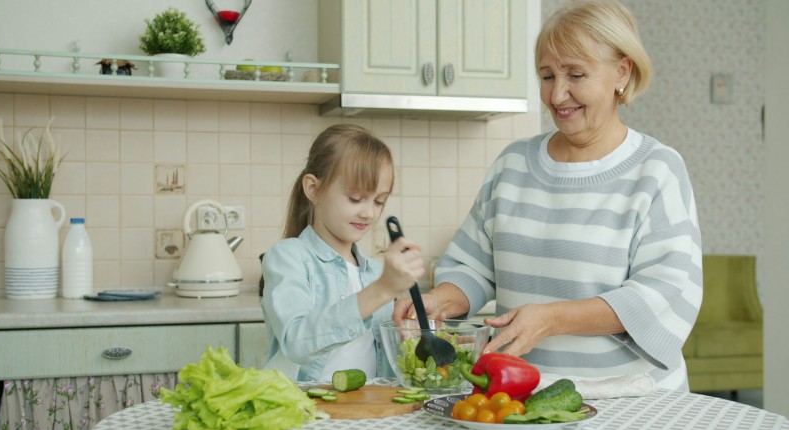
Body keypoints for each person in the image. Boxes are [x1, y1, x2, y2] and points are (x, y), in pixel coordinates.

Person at [394, 0, 702, 391]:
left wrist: (552, 318)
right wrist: (440, 300)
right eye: (546, 76)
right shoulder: (513, 164)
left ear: (621, 72)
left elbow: (663, 293)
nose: (558, 95)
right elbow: (472, 266)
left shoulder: (657, 170)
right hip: (522, 392)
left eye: (575, 74)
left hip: (628, 396)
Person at [261, 124, 424, 382]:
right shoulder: (288, 258)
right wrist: (381, 290)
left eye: (379, 201)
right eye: (355, 198)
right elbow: (296, 341)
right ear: (313, 189)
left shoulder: (378, 272)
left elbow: (386, 364)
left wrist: (409, 338)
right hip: (305, 412)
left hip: (366, 411)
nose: (369, 213)